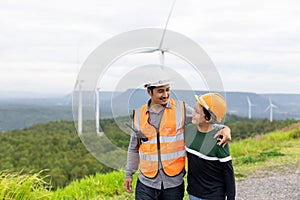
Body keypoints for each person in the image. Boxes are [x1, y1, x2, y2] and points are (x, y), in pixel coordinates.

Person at [124, 78, 232, 200]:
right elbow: (133, 148)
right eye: (160, 91)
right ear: (149, 92)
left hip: (173, 183)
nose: (165, 95)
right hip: (146, 182)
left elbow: (205, 120)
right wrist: (129, 173)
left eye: (167, 90)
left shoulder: (181, 109)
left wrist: (224, 128)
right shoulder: (138, 115)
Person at [185, 93, 236, 200]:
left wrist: (231, 197)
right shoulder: (188, 131)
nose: (193, 114)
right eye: (194, 110)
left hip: (214, 195)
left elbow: (228, 173)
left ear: (208, 119)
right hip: (193, 193)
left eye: (197, 112)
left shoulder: (219, 140)